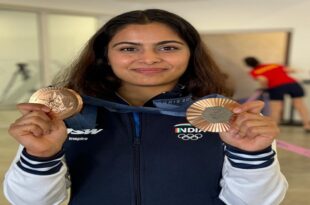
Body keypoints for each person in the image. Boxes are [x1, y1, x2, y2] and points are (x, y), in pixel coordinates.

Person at [3, 9, 288, 205]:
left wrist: (251, 155)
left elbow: (255, 202)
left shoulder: (226, 116)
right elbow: (30, 201)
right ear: (105, 56)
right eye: (128, 48)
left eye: (168, 47)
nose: (149, 58)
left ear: (191, 54)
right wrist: (40, 156)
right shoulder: (66, 117)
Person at [244, 56, 310, 132]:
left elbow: (263, 80)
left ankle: (274, 127)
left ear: (248, 65)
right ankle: (307, 125)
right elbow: (291, 70)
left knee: (276, 108)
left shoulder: (254, 72)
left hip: (276, 87)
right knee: (300, 105)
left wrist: (264, 88)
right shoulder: (273, 65)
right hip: (292, 84)